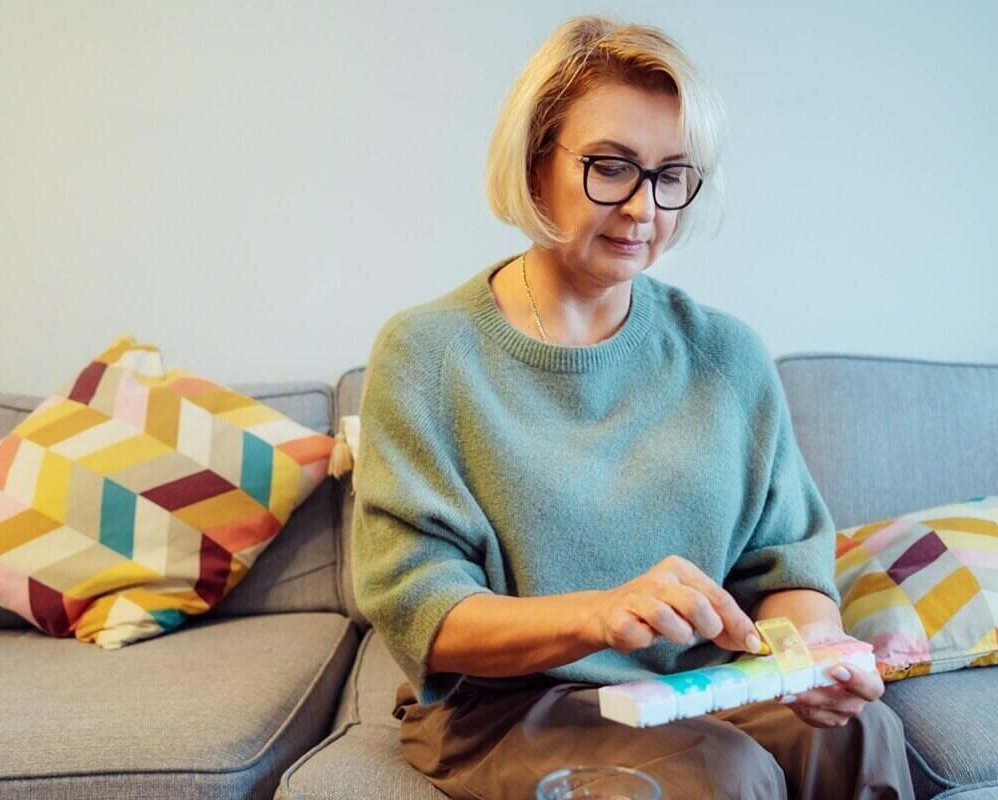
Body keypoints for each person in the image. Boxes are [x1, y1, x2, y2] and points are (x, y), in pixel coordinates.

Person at [352, 14, 915, 799]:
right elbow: (423, 610)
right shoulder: (427, 354)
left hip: (695, 688)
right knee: (723, 774)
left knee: (859, 736)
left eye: (671, 174)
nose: (644, 207)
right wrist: (600, 615)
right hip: (510, 708)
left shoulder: (726, 355)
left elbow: (786, 566)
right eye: (611, 166)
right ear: (536, 163)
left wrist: (814, 653)